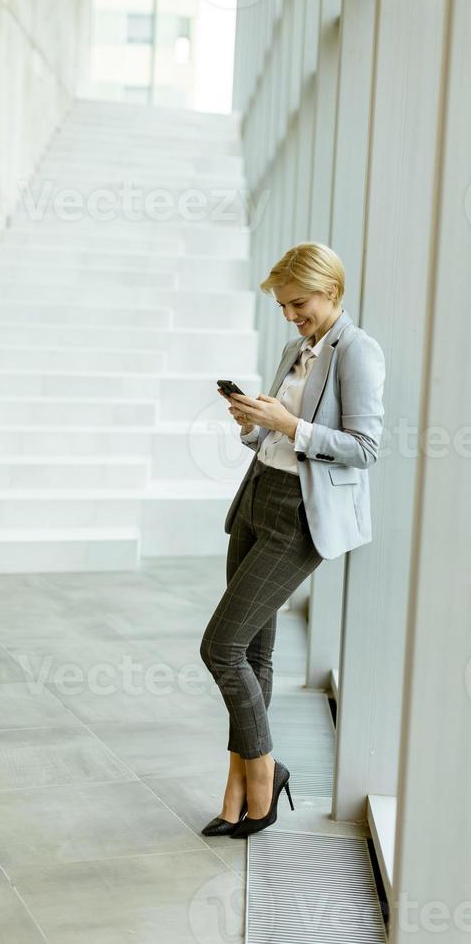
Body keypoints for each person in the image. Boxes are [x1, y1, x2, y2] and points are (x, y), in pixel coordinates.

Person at [199, 242, 386, 839]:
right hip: (258, 500)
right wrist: (255, 425)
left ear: (330, 291)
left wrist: (291, 425)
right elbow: (278, 441)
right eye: (283, 306)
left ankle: (263, 772)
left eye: (297, 303)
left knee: (220, 648)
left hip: (299, 518)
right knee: (253, 654)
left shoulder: (359, 351)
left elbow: (364, 448)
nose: (290, 316)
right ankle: (239, 792)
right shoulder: (295, 348)